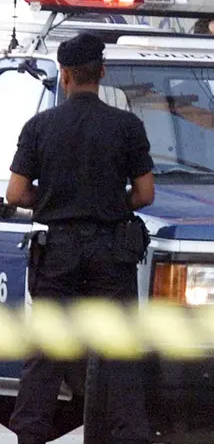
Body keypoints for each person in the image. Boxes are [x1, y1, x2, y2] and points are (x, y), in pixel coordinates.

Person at [5, 33, 156, 444]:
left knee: (46, 353)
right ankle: (128, 435)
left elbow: (15, 194)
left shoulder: (39, 126)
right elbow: (144, 195)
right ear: (101, 73)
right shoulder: (127, 126)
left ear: (65, 75)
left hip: (58, 251)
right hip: (111, 251)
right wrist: (109, 203)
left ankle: (31, 434)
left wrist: (53, 199)